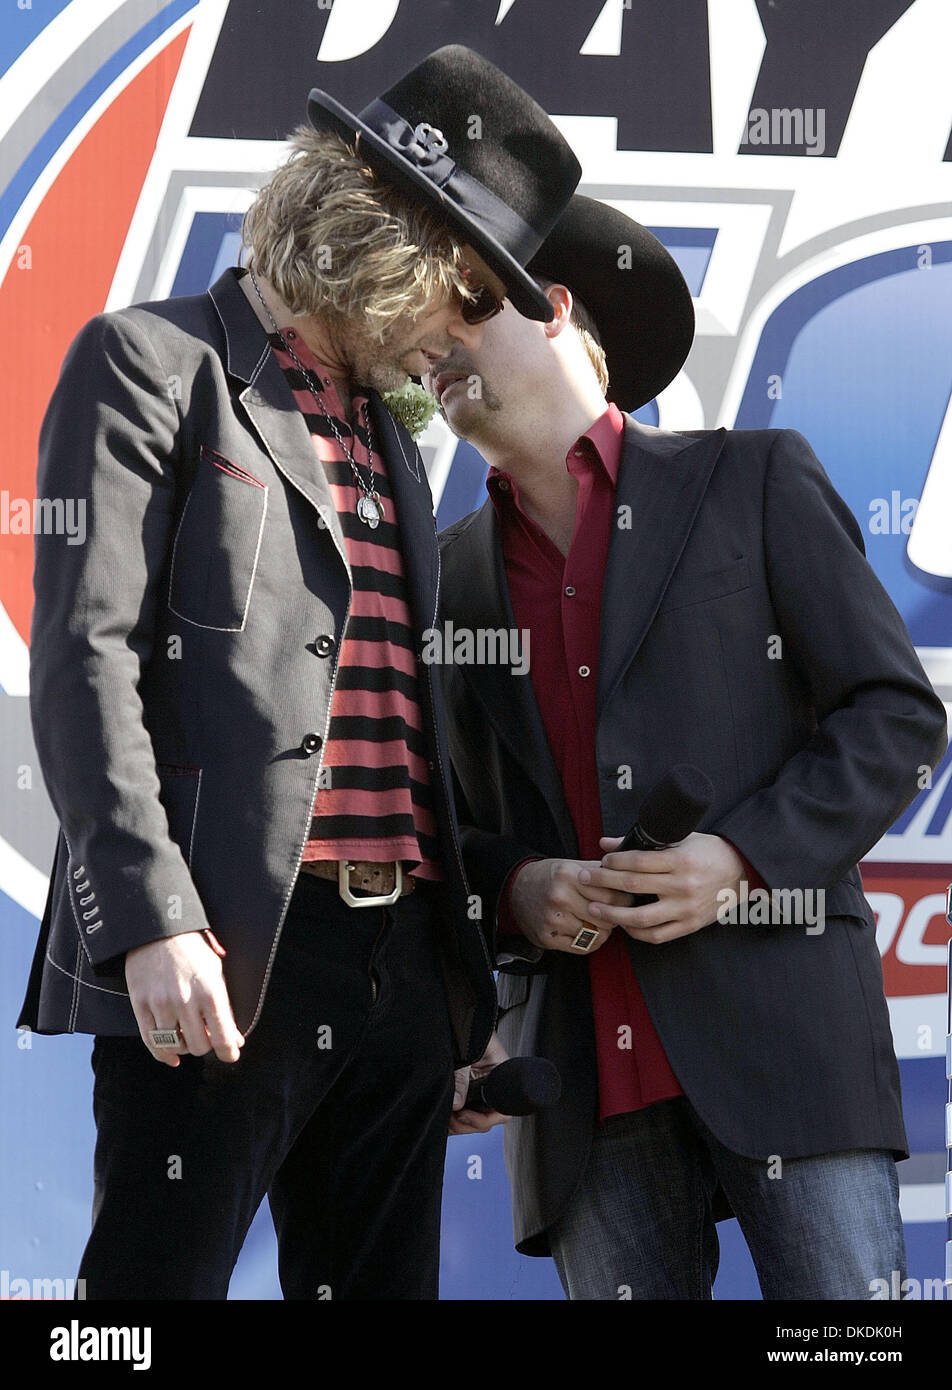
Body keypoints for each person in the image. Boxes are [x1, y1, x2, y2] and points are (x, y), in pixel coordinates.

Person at [17, 45, 581, 1301]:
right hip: (223, 943)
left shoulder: (395, 434)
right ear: (394, 244)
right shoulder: (151, 361)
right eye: (467, 295)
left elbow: (400, 724)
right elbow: (82, 660)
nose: (463, 337)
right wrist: (153, 920)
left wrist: (444, 994)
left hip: (395, 974)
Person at [428, 193, 949, 1299]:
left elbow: (897, 715)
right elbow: (436, 830)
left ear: (558, 308)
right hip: (576, 1089)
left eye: (467, 308)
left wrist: (740, 861)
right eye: (426, 330)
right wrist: (516, 888)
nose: (436, 344)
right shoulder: (438, 575)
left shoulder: (752, 476)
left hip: (786, 1051)